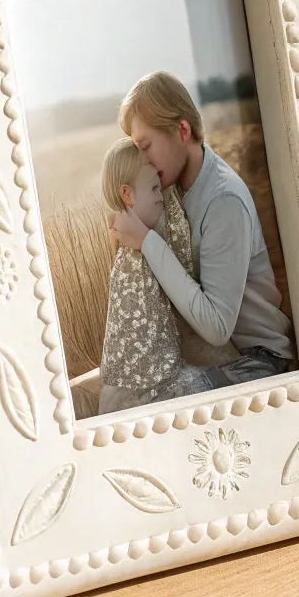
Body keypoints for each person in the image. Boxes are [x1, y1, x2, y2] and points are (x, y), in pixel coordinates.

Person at [108, 71, 296, 383]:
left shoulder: (223, 201)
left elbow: (217, 327)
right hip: (203, 355)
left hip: (259, 361)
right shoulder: (168, 187)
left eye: (146, 145)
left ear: (182, 130)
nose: (144, 161)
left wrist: (146, 242)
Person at [96, 137, 238, 414]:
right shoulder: (134, 257)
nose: (161, 194)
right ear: (127, 195)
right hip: (146, 389)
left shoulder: (139, 241)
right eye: (153, 188)